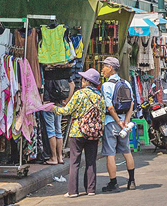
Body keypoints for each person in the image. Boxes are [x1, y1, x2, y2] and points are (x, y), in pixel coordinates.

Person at [47, 68, 107, 197]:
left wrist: (52, 108)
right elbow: (102, 117)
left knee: (74, 162)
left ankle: (73, 191)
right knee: (91, 162)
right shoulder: (100, 96)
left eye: (83, 79)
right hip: (93, 133)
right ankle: (91, 189)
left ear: (87, 81)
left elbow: (66, 111)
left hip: (77, 131)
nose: (81, 81)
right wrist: (99, 133)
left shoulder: (79, 94)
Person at [99, 57, 136, 192]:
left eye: (104, 66)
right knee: (127, 151)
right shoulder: (126, 83)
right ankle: (131, 181)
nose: (102, 69)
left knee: (110, 154)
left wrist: (118, 121)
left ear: (110, 68)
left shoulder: (106, 85)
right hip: (124, 123)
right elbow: (131, 103)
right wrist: (125, 121)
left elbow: (109, 107)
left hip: (111, 122)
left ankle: (113, 183)